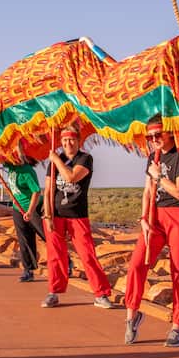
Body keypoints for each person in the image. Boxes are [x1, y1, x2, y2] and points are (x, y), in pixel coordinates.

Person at [121, 117, 179, 347]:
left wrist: (159, 176)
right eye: (150, 137)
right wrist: (144, 218)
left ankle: (177, 326)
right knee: (136, 264)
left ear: (170, 133)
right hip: (155, 216)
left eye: (157, 135)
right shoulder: (152, 157)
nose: (153, 140)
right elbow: (147, 191)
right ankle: (132, 315)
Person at [41, 126, 113, 309]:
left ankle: (101, 293)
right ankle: (54, 292)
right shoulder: (55, 161)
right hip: (56, 214)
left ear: (79, 141)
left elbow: (71, 177)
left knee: (87, 254)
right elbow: (48, 190)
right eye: (65, 140)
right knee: (55, 255)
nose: (68, 143)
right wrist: (47, 215)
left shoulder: (85, 158)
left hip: (77, 215)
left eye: (72, 139)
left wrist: (56, 159)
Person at [4, 156, 44, 283]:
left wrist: (30, 211)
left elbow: (36, 191)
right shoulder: (10, 166)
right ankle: (28, 270)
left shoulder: (27, 171)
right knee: (24, 240)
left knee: (47, 236)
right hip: (18, 208)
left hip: (33, 208)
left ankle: (67, 262)